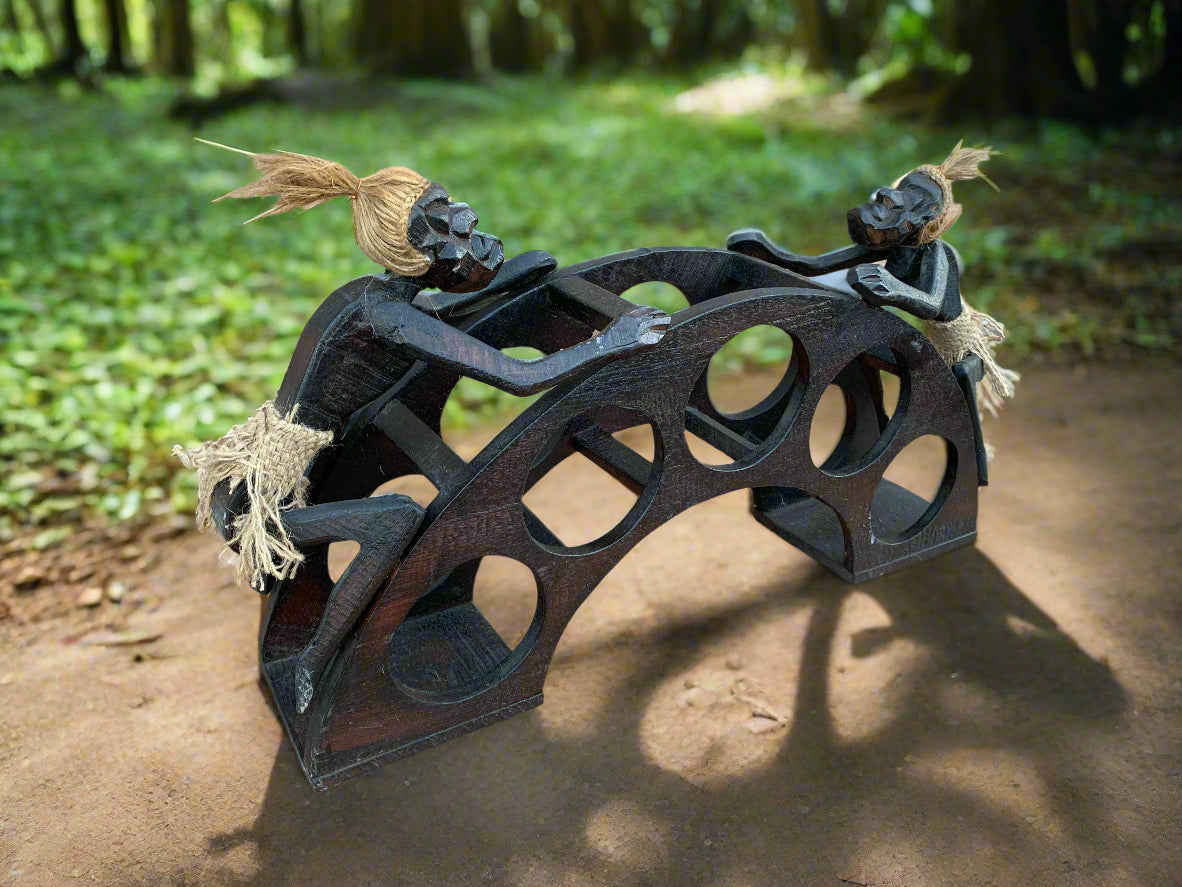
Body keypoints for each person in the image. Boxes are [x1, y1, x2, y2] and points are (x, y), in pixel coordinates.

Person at [175, 143, 669, 711]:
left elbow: (433, 314)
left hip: (262, 473)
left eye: (457, 212)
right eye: (451, 233)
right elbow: (521, 376)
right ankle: (314, 665)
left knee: (397, 517)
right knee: (398, 519)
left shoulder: (373, 297)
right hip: (258, 506)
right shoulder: (387, 317)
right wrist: (610, 342)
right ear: (415, 255)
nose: (472, 230)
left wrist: (507, 279)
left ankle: (319, 656)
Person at [728, 141, 1018, 415]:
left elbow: (933, 304)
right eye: (900, 190)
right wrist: (776, 259)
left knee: (958, 405)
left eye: (910, 197)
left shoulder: (936, 255)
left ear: (926, 215)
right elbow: (818, 265)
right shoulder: (894, 244)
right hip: (920, 333)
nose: (889, 197)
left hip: (954, 343)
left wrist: (893, 290)